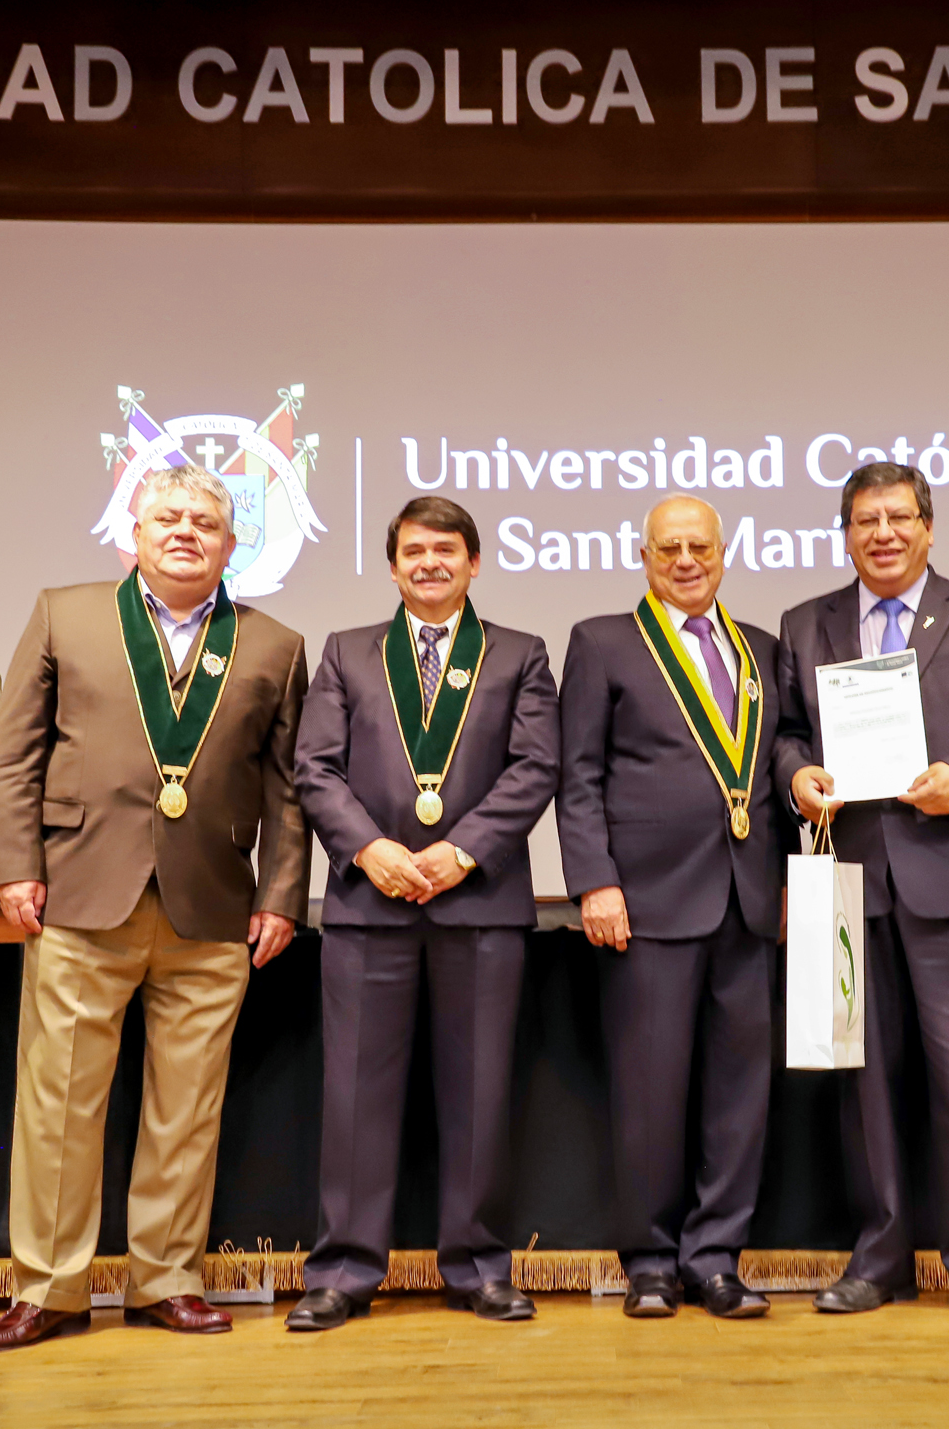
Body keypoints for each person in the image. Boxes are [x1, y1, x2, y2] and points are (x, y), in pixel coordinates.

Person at [0, 463, 310, 1351]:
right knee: (59, 1102)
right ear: (134, 531)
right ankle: (49, 1288)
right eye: (169, 517)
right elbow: (13, 756)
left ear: (234, 546)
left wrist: (281, 894)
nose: (187, 530)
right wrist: (11, 866)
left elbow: (288, 789)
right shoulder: (64, 612)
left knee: (187, 1106)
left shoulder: (274, 644)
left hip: (212, 909)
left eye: (206, 520)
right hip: (78, 895)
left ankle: (168, 1279)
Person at [775, 461, 949, 1322]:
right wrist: (798, 777)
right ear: (846, 534)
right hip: (852, 884)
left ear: (929, 528)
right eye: (865, 520)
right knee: (867, 1084)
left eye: (899, 518)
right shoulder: (805, 622)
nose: (883, 534)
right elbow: (785, 731)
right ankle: (880, 1257)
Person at [286, 496, 559, 1331]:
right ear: (393, 564)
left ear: (475, 562)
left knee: (480, 1097)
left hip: (478, 903)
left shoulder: (518, 655)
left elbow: (534, 765)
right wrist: (369, 850)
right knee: (356, 1100)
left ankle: (478, 1266)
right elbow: (315, 767)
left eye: (447, 549)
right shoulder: (345, 654)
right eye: (414, 550)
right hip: (372, 904)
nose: (430, 562)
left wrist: (462, 850)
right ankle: (342, 1270)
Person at [557, 495, 785, 1320]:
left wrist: (791, 878)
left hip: (748, 902)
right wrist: (594, 879)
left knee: (738, 1095)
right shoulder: (603, 641)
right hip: (644, 903)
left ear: (724, 551)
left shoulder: (761, 649)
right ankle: (651, 1260)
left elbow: (774, 767)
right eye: (668, 548)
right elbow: (575, 774)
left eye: (699, 546)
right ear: (642, 556)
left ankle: (716, 1257)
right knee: (650, 1092)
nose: (685, 560)